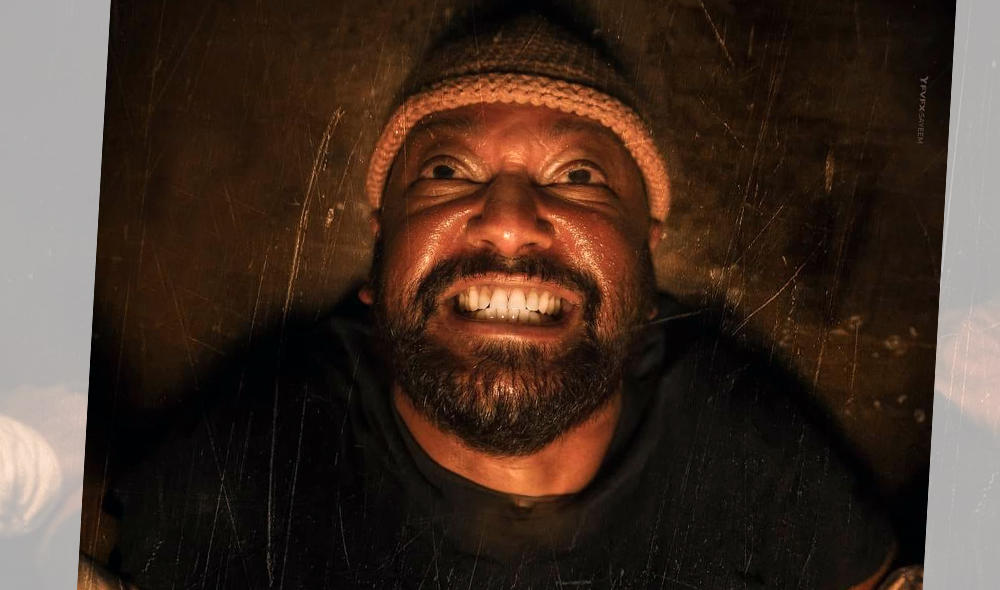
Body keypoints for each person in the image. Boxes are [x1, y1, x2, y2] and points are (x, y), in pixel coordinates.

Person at [89, 10, 901, 590]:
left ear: (646, 256)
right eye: (447, 172)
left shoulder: (743, 440)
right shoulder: (251, 463)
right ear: (381, 247)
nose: (509, 223)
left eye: (578, 176)